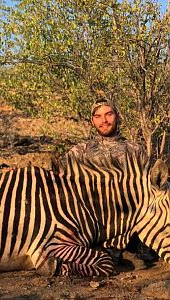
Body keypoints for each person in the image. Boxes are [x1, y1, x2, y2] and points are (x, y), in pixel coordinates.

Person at [53, 98, 158, 265]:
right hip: (91, 219)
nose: (104, 120)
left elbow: (149, 188)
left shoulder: (135, 150)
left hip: (130, 217)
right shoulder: (80, 151)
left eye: (109, 114)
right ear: (92, 120)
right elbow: (56, 178)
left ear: (117, 116)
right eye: (98, 116)